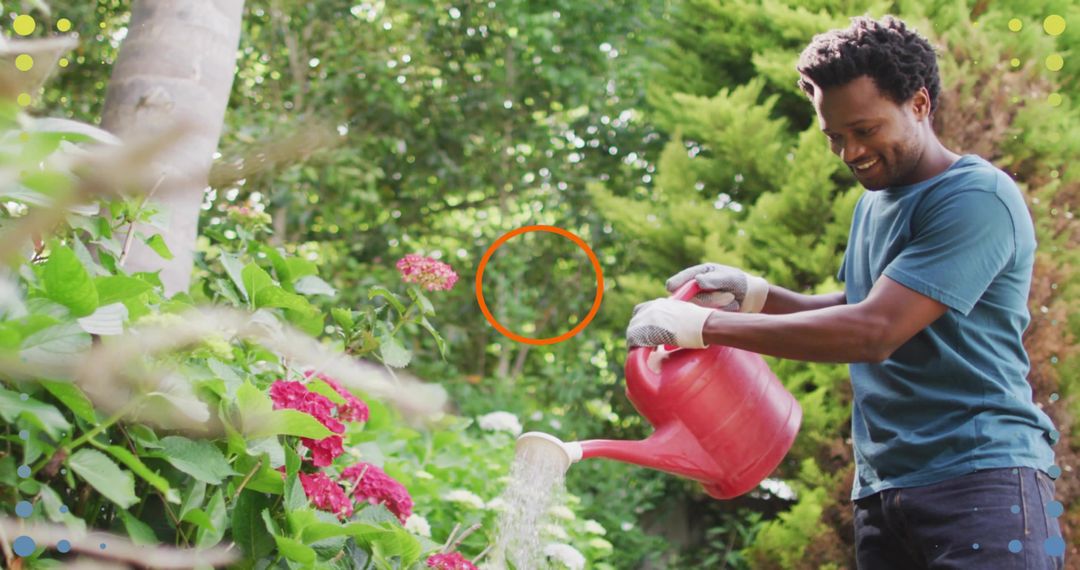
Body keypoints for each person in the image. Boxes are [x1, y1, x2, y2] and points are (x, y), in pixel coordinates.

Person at [624, 15, 1064, 569]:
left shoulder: (976, 197)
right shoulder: (874, 204)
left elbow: (875, 331)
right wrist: (754, 294)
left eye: (865, 129)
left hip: (981, 481)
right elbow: (862, 303)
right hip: (885, 489)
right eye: (834, 136)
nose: (849, 151)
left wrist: (703, 328)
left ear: (920, 104)